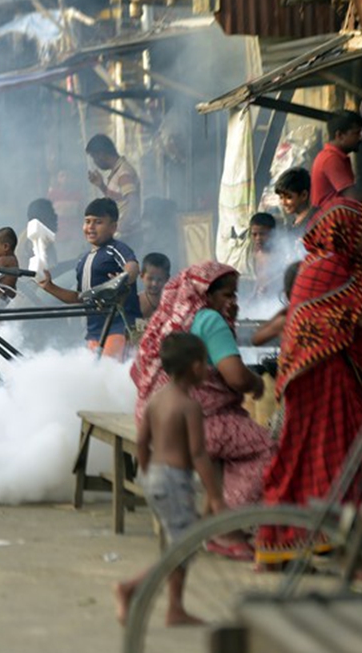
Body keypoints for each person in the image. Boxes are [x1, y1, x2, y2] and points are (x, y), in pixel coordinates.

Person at [256, 198, 362, 566]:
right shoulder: (332, 267)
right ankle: (321, 536)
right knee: (339, 451)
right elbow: (347, 319)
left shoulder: (319, 264)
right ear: (346, 231)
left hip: (317, 374)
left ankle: (316, 537)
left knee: (318, 453)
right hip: (324, 376)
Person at [131, 262, 273, 510]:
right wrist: (258, 383)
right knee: (267, 449)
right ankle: (231, 516)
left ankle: (214, 513)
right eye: (227, 294)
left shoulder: (171, 317)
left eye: (235, 294)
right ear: (206, 295)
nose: (233, 301)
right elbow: (237, 378)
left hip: (155, 419)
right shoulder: (210, 320)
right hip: (197, 423)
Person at [114, 333, 224, 627]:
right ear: (193, 367)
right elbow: (199, 454)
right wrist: (215, 496)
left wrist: (148, 473)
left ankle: (175, 608)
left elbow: (142, 440)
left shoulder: (157, 399)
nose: (208, 369)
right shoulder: (189, 407)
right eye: (204, 363)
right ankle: (132, 588)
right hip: (175, 480)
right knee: (183, 548)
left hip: (155, 478)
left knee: (176, 545)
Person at [37, 198, 141, 360]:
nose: (91, 227)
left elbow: (132, 266)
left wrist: (122, 279)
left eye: (98, 222)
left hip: (118, 328)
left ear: (113, 227)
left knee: (110, 376)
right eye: (87, 222)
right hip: (94, 333)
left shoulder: (116, 249)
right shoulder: (83, 260)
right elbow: (79, 298)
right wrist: (50, 287)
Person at [86, 134, 142, 244]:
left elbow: (133, 204)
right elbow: (118, 201)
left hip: (127, 238)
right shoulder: (118, 172)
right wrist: (101, 186)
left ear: (101, 154)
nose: (95, 162)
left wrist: (118, 229)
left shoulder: (123, 173)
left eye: (94, 157)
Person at [310, 110, 362, 208]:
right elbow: (353, 201)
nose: (360, 138)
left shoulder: (332, 156)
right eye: (357, 133)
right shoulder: (331, 159)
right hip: (330, 221)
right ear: (340, 135)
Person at [274, 166, 313, 241]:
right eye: (281, 197)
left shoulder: (313, 223)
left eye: (289, 197)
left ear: (304, 195)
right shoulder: (293, 222)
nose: (283, 203)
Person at [248, 212, 278, 298]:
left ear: (273, 234)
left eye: (262, 234)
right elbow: (259, 279)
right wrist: (253, 295)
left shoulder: (278, 255)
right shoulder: (256, 252)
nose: (258, 238)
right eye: (254, 234)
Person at [138, 253, 171, 319]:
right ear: (142, 276)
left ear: (167, 279)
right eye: (150, 279)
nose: (154, 284)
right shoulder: (136, 302)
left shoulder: (172, 302)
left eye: (159, 280)